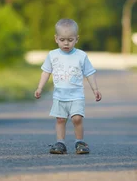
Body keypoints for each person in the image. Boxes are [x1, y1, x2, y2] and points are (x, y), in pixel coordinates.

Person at [34, 18, 102, 155]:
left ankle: (79, 142)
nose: (66, 43)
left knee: (77, 118)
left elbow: (90, 73)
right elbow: (46, 72)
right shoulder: (52, 55)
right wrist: (40, 88)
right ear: (56, 39)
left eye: (70, 40)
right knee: (60, 119)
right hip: (59, 96)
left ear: (77, 39)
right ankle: (60, 143)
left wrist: (95, 89)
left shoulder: (81, 56)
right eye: (62, 39)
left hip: (76, 96)